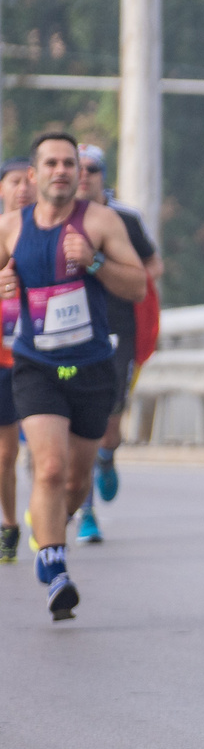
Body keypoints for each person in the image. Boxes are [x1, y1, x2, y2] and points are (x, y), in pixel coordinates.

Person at [0, 131, 152, 619]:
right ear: (33, 175)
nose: (63, 171)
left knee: (76, 480)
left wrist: (96, 261)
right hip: (38, 365)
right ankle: (56, 566)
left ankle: (52, 524)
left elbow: (138, 286)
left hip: (89, 366)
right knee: (48, 467)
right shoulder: (11, 227)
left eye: (70, 164)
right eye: (52, 163)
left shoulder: (101, 222)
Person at [71, 141, 161, 544]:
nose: (83, 176)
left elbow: (153, 264)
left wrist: (122, 276)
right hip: (70, 333)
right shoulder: (53, 217)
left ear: (103, 175)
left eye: (92, 169)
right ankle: (86, 513)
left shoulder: (123, 218)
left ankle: (107, 457)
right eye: (77, 168)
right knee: (79, 423)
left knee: (108, 427)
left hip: (117, 330)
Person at [0, 157, 32, 565]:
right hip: (3, 359)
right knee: (6, 455)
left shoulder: (48, 233)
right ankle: (9, 523)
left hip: (44, 357)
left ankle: (47, 516)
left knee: (46, 452)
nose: (22, 189)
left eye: (28, 181)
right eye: (14, 181)